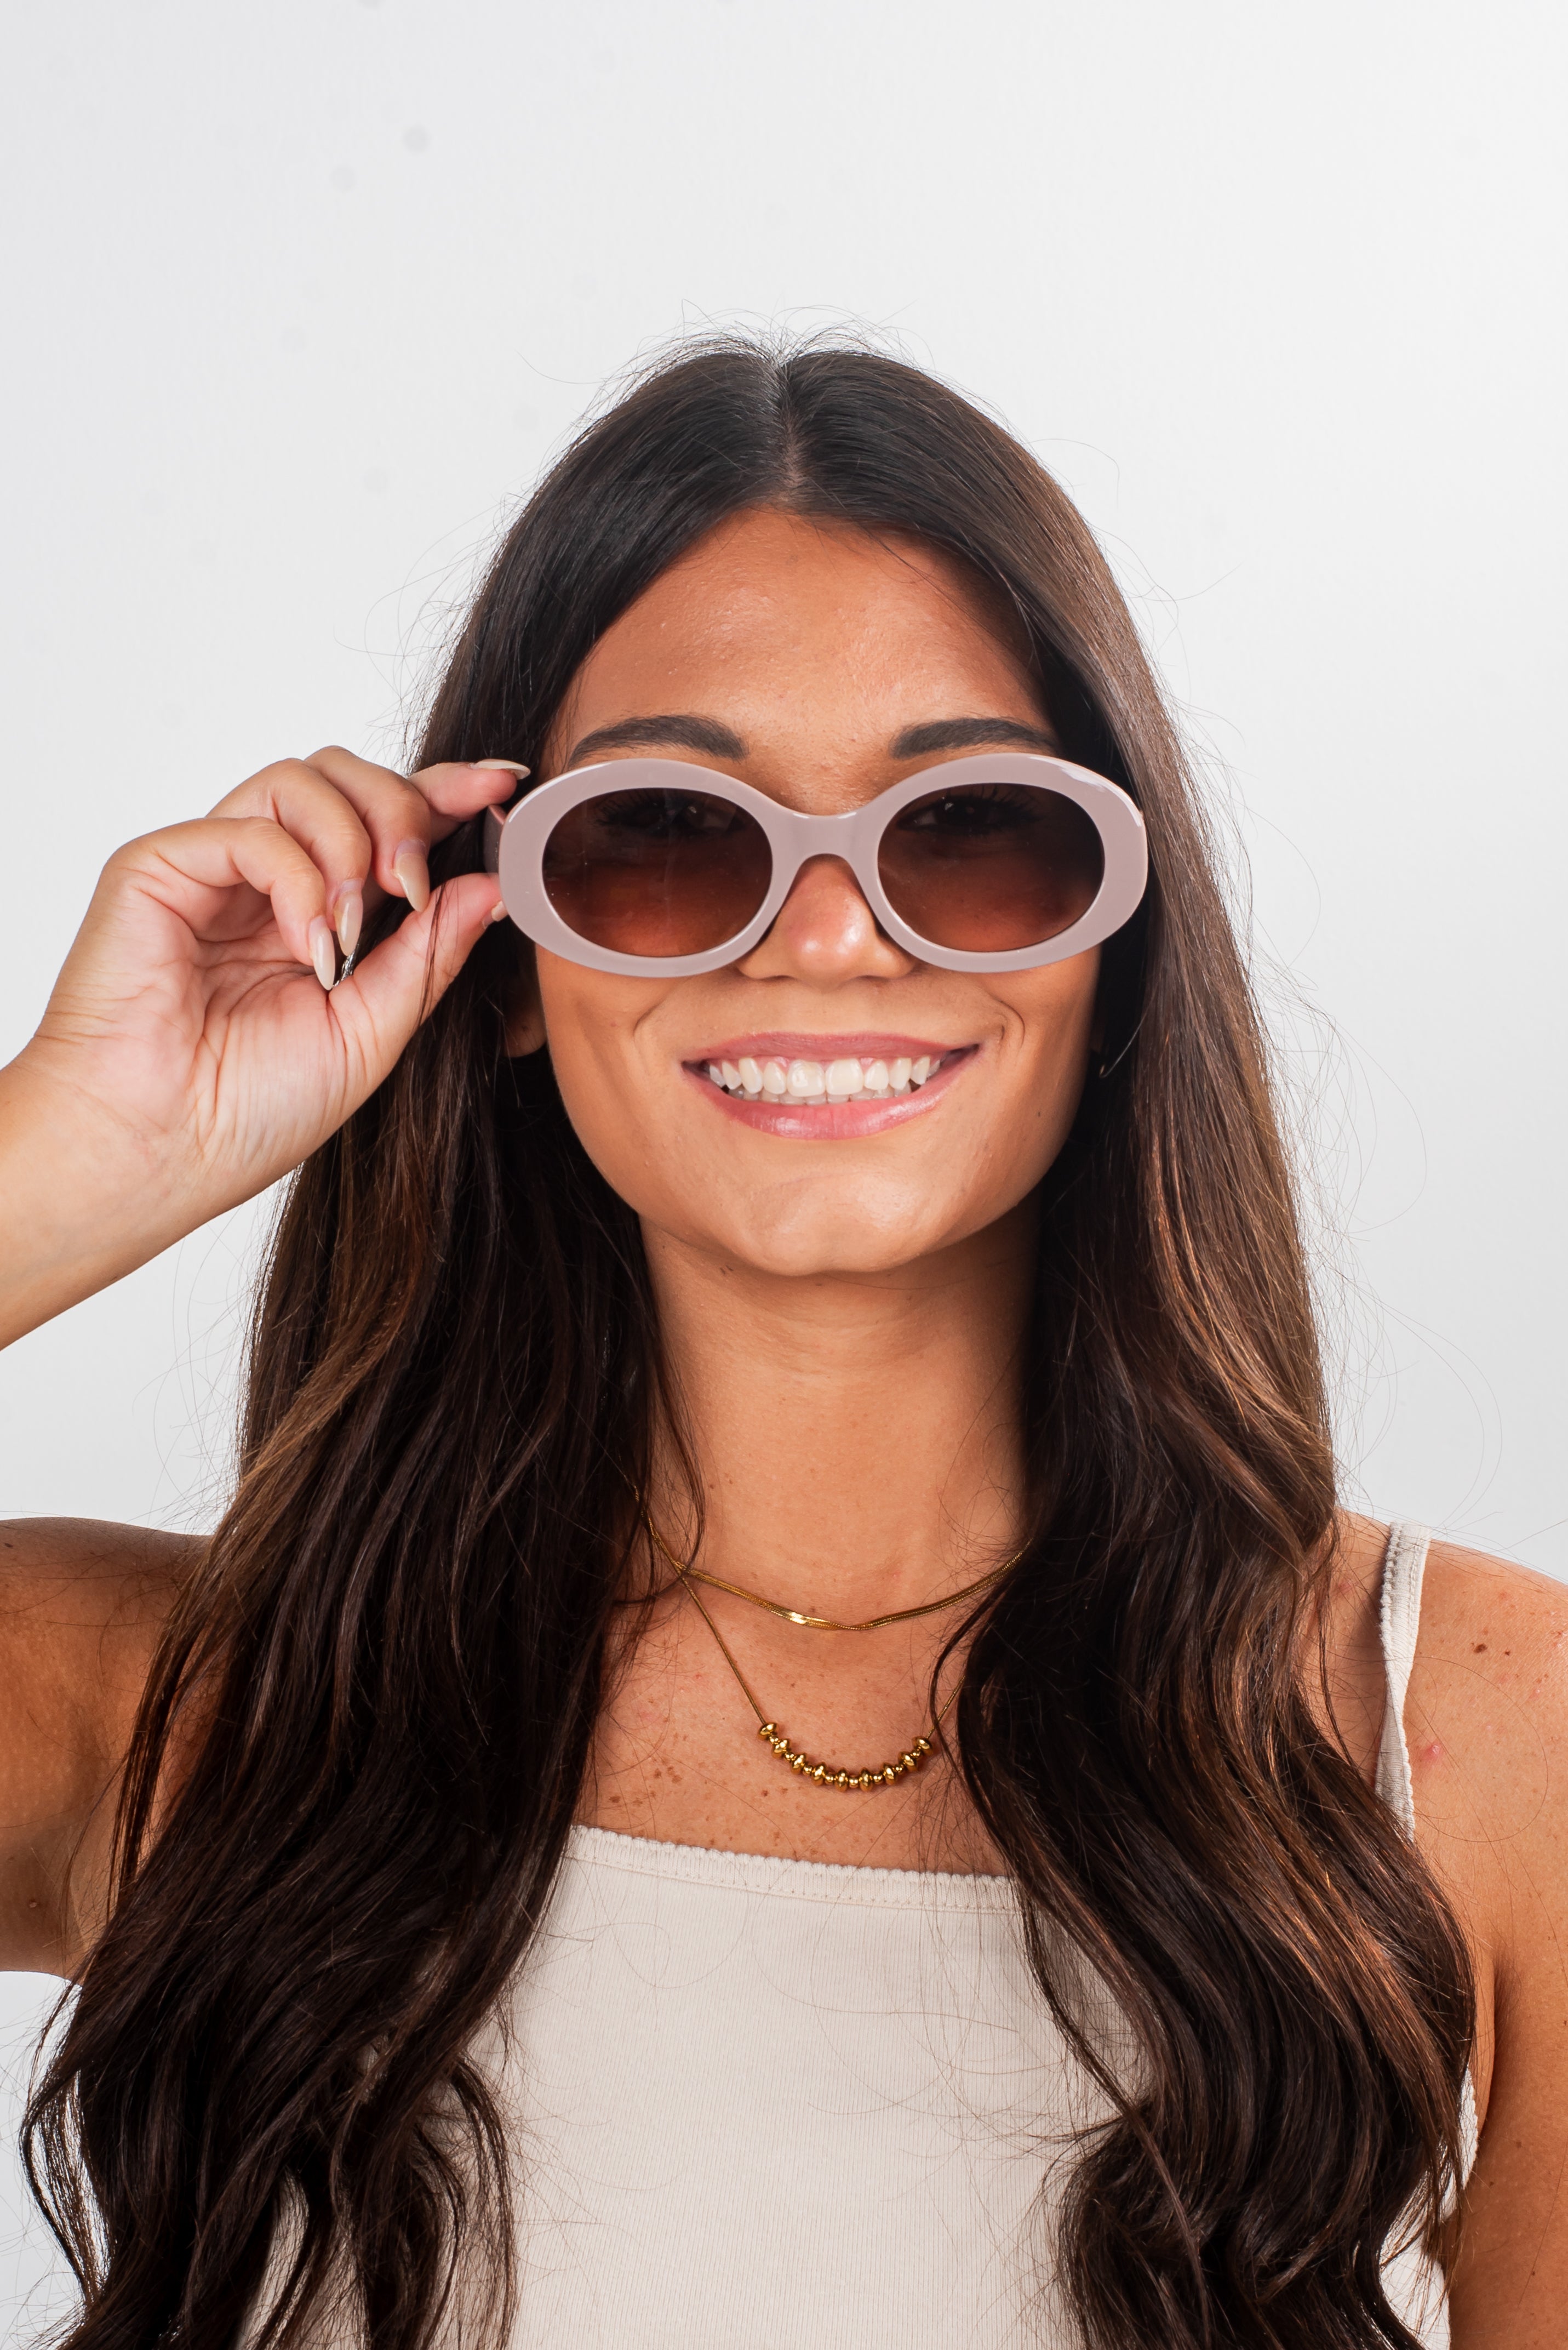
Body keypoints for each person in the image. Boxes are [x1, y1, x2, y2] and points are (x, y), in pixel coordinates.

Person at [1, 340, 1564, 2350]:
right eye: (663, 842)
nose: (825, 937)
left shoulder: (1489, 1751)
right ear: (490, 951)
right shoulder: (182, 1718)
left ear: (1116, 950)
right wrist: (75, 1148)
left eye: (973, 837)